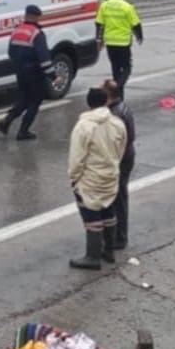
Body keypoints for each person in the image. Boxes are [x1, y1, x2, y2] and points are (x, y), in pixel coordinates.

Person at [66, 86, 127, 269]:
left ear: (88, 103)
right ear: (106, 101)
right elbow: (121, 148)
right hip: (111, 175)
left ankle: (92, 257)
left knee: (91, 215)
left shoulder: (84, 126)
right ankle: (109, 250)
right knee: (108, 210)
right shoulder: (117, 123)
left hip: (90, 177)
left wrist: (74, 177)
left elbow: (77, 157)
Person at [0, 5, 51, 140]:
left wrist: (19, 66)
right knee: (35, 101)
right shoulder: (37, 34)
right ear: (36, 17)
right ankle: (23, 131)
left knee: (23, 99)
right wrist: (53, 75)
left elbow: (11, 52)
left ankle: (7, 120)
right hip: (35, 74)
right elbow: (44, 58)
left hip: (21, 72)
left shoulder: (16, 31)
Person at [103, 79, 135, 250]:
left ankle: (119, 237)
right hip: (126, 157)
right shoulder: (121, 108)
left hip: (120, 160)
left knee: (118, 198)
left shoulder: (114, 115)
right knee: (119, 197)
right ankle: (116, 235)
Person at [96, 0, 143, 92]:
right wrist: (139, 36)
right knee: (127, 68)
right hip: (123, 43)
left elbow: (99, 23)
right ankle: (117, 87)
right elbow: (136, 24)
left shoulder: (105, 5)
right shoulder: (127, 7)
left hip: (110, 42)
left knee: (115, 68)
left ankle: (118, 95)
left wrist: (99, 39)